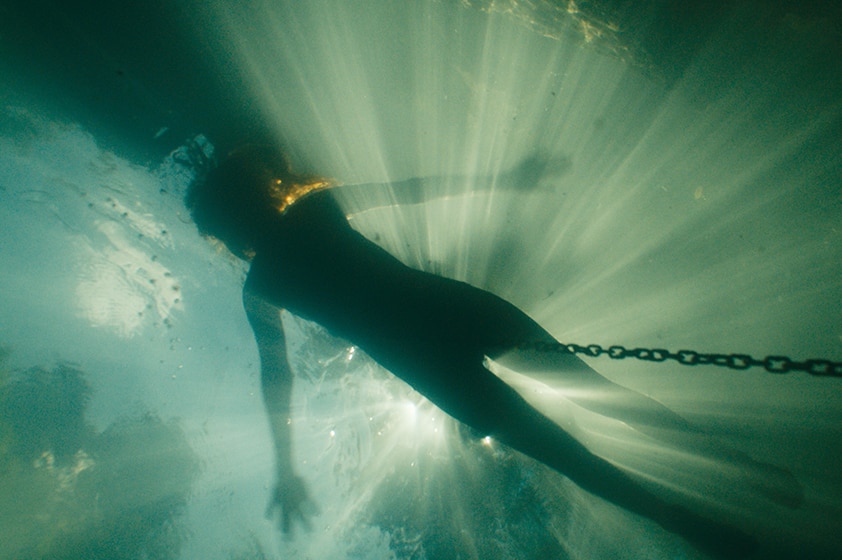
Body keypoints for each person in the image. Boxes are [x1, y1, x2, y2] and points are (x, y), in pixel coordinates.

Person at [186, 145, 762, 557]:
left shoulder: (262, 285)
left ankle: (681, 519)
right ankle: (743, 466)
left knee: (568, 456)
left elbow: (277, 376)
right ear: (261, 187)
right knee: (603, 396)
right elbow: (415, 190)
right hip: (457, 310)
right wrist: (507, 179)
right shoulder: (316, 209)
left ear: (226, 227)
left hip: (425, 364)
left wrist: (287, 468)